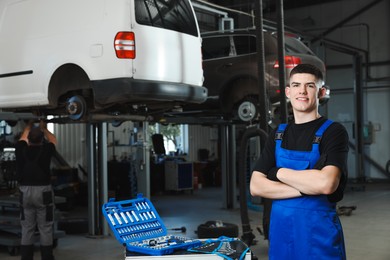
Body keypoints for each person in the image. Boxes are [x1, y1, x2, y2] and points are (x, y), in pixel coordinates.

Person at [250, 64, 349, 259]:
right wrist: (307, 188)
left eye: (309, 86)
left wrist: (277, 173)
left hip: (318, 235)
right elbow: (256, 186)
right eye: (296, 85)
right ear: (288, 91)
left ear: (321, 92)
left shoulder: (333, 132)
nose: (302, 91)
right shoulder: (278, 134)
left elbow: (326, 183)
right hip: (280, 234)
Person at [15, 120, 57, 260]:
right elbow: (53, 139)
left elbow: (22, 138)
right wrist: (44, 128)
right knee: (45, 228)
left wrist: (28, 127)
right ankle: (47, 257)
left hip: (25, 192)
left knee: (27, 228)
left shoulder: (20, 149)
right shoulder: (46, 150)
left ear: (28, 139)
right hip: (42, 192)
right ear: (41, 139)